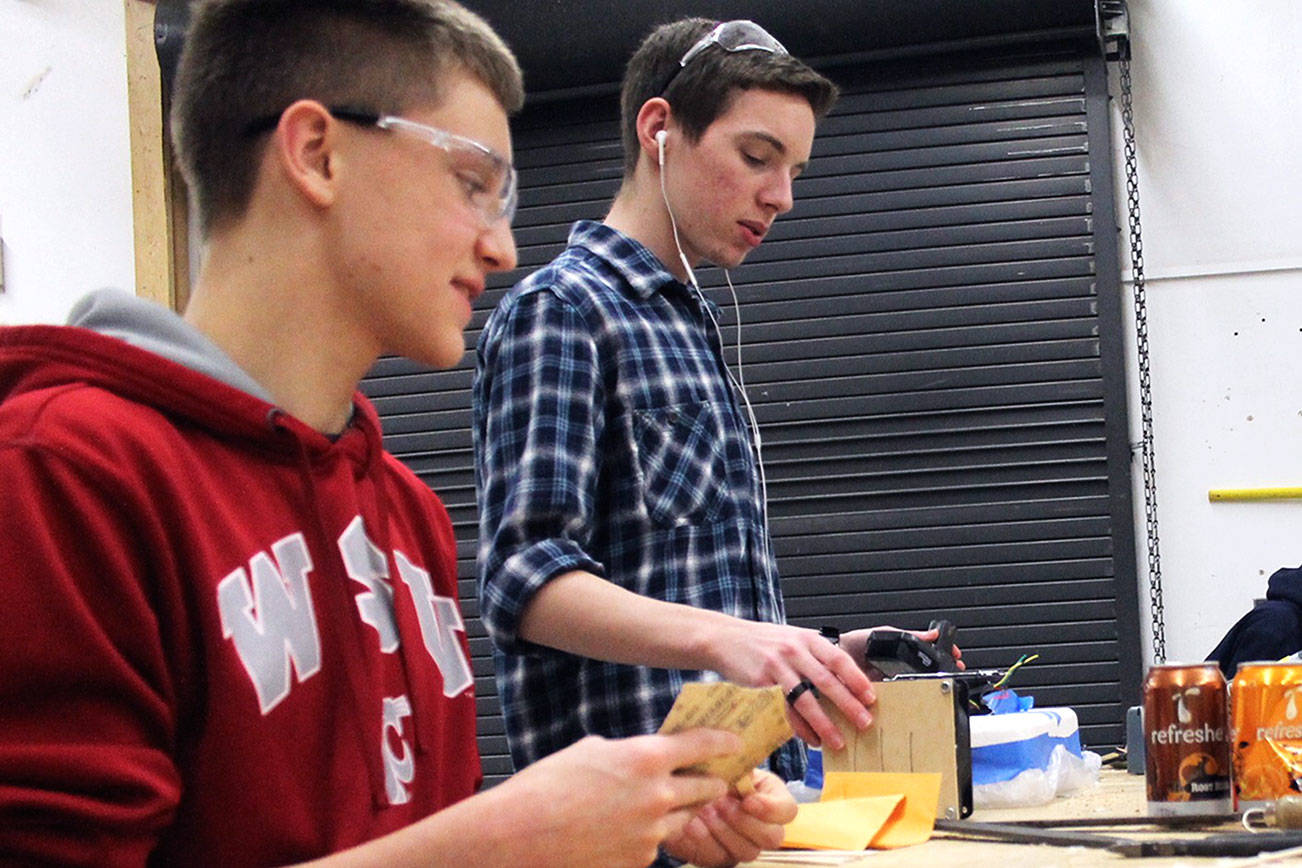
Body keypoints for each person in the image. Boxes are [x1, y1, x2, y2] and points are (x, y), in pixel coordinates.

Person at [0, 2, 795, 866]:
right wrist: (501, 841)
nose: (500, 245)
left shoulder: (402, 518)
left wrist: (615, 822)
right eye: (471, 181)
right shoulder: (62, 476)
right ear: (317, 153)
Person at [475, 17, 962, 798]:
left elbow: (692, 589)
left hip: (743, 811)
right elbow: (524, 578)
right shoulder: (565, 310)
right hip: (629, 831)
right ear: (660, 129)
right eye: (757, 157)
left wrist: (813, 650)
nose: (783, 197)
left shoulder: (688, 321)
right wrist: (736, 642)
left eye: (795, 169)